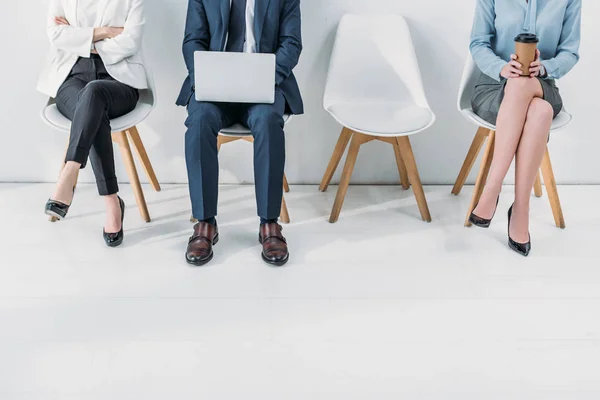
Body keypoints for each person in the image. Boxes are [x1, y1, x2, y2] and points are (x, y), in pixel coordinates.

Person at [177, 0, 303, 267]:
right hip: (214, 89)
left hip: (263, 87)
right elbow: (193, 41)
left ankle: (269, 224)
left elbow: (291, 44)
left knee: (269, 121)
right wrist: (206, 78)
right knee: (198, 120)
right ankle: (205, 223)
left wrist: (264, 78)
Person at [468, 0, 581, 256]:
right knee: (539, 111)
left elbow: (570, 52)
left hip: (543, 85)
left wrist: (543, 67)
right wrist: (502, 68)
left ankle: (491, 191)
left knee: (525, 87)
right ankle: (521, 211)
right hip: (494, 86)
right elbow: (478, 42)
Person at [39, 0, 147, 247]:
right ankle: (112, 201)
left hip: (119, 80)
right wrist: (107, 33)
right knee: (91, 105)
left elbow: (131, 41)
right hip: (72, 79)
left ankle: (70, 170)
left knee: (94, 94)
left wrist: (79, 39)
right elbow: (55, 34)